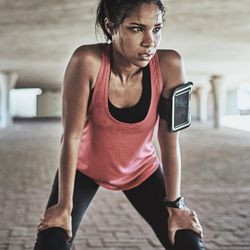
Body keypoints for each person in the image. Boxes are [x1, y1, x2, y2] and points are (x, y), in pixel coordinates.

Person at [34, 0, 205, 249]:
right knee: (52, 240)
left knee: (188, 241)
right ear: (110, 26)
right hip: (85, 168)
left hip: (141, 169)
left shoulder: (171, 65)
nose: (150, 41)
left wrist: (175, 204)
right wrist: (64, 206)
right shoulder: (87, 61)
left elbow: (169, 140)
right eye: (136, 28)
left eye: (156, 28)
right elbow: (71, 137)